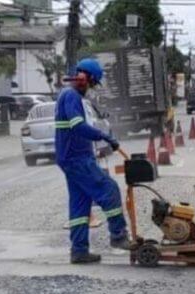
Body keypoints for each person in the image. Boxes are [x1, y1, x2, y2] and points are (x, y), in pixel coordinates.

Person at [55, 57, 131, 264]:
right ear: (85, 78)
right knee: (109, 190)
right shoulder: (71, 96)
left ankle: (79, 251)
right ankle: (118, 236)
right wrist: (103, 136)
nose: (91, 87)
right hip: (76, 158)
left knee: (80, 205)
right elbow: (77, 126)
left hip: (72, 158)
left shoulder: (70, 96)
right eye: (92, 83)